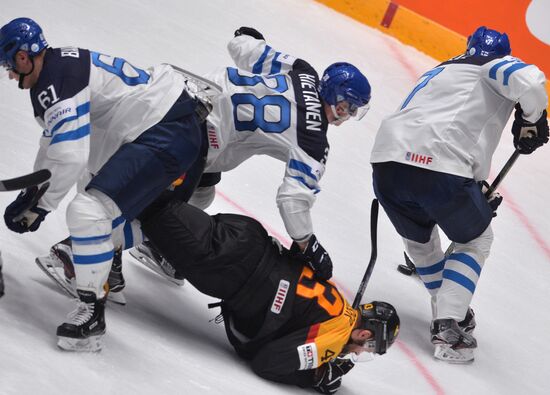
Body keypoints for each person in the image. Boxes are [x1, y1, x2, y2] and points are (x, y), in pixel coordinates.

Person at [0, 17, 210, 351]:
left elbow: (68, 155)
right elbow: (54, 144)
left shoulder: (52, 82)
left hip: (165, 132)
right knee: (92, 196)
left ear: (23, 57)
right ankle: (106, 262)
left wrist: (39, 204)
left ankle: (92, 315)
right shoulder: (60, 67)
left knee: (88, 210)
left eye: (10, 65)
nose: (10, 74)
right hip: (161, 127)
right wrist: (31, 196)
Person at [131, 26, 372, 283]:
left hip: (196, 88)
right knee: (160, 207)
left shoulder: (304, 71)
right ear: (338, 101)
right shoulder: (312, 140)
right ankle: (116, 248)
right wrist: (307, 243)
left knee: (202, 193)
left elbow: (247, 51)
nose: (348, 116)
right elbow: (292, 200)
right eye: (349, 109)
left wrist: (245, 38)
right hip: (200, 131)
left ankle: (151, 240)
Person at [370, 26, 548, 363]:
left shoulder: (441, 69)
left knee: (421, 243)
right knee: (476, 239)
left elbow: (448, 124)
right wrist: (532, 118)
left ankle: (450, 304)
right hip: (440, 169)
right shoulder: (493, 65)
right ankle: (448, 328)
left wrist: (475, 186)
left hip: (386, 166)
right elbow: (531, 81)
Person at [141, 199, 399, 394]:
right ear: (364, 334)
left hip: (248, 237)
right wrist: (314, 377)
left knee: (153, 198)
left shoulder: (338, 303)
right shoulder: (335, 335)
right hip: (228, 267)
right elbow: (267, 363)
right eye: (368, 347)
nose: (359, 352)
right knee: (142, 203)